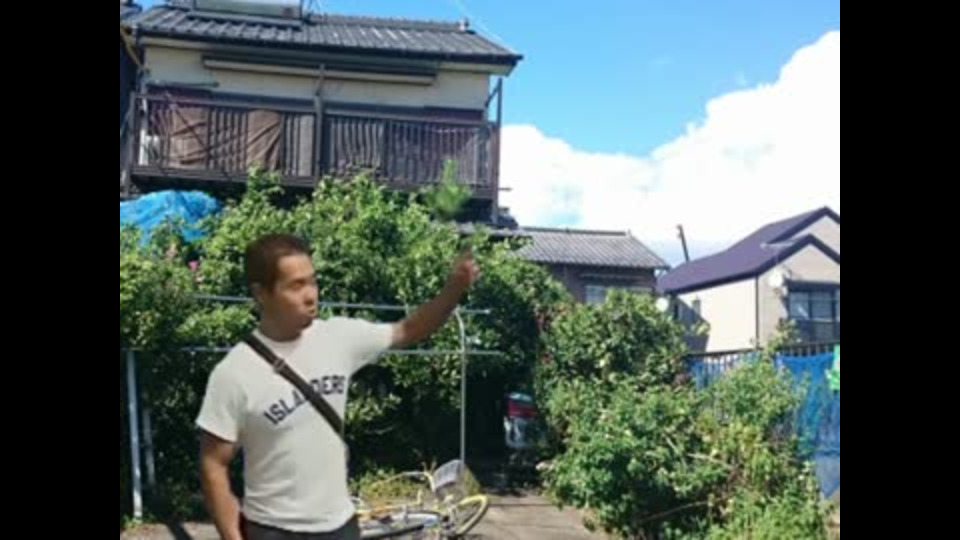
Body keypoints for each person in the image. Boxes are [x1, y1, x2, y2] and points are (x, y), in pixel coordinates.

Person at [196, 233, 480, 540]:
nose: (310, 295)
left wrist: (453, 291)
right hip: (273, 530)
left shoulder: (337, 338)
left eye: (312, 282)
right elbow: (213, 465)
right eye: (296, 285)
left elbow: (409, 330)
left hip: (341, 527)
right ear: (261, 293)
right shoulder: (235, 373)